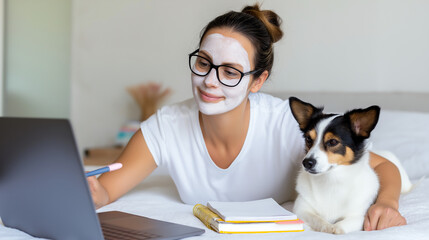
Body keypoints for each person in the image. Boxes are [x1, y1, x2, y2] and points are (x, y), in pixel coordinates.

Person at [88, 4, 406, 231]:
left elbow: (384, 166)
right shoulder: (165, 126)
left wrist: (388, 204)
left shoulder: (285, 124)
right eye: (203, 63)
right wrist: (86, 189)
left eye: (230, 71)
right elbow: (103, 190)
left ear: (258, 81)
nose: (210, 81)